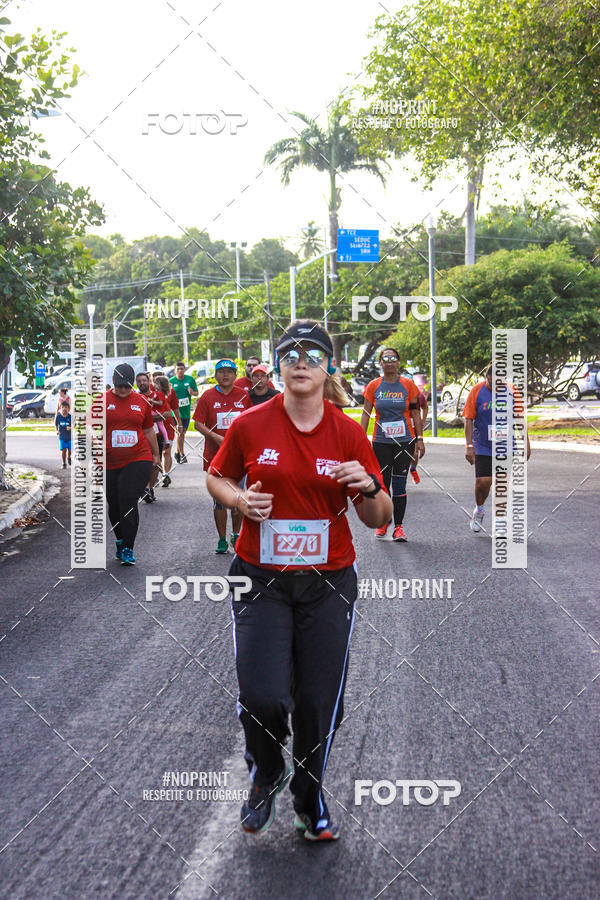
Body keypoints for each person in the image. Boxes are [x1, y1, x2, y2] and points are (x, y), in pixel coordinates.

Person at [206, 320, 392, 841]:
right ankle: (266, 771)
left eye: (313, 354)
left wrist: (368, 486)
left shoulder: (348, 432)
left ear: (329, 366)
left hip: (327, 584)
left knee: (318, 703)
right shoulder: (251, 424)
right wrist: (240, 500)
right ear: (278, 365)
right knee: (262, 694)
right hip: (260, 578)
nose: (301, 361)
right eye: (290, 353)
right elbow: (217, 476)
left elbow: (377, 517)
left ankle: (309, 801)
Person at [361, 347, 425, 542]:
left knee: (399, 483)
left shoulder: (408, 385)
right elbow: (366, 414)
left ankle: (398, 527)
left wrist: (420, 439)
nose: (389, 362)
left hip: (404, 441)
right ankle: (383, 522)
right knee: (383, 483)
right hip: (381, 442)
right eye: (385, 358)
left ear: (398, 362)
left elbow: (415, 413)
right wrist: (360, 438)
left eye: (393, 358)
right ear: (380, 363)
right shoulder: (373, 386)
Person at [103, 363, 160, 565]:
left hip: (138, 458)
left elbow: (148, 430)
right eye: (120, 386)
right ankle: (120, 539)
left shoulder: (141, 401)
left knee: (128, 500)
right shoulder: (101, 402)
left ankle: (128, 547)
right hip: (109, 461)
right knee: (114, 504)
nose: (123, 390)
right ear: (113, 383)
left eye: (127, 386)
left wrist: (156, 454)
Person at [463, 363, 531, 533]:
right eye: (494, 379)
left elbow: (519, 419)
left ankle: (500, 520)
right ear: (487, 377)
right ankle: (479, 510)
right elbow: (468, 419)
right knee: (483, 482)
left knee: (502, 482)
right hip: (483, 445)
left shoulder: (512, 391)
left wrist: (525, 443)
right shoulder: (477, 391)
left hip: (505, 445)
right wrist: (469, 446)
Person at [193, 359, 251, 553]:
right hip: (215, 456)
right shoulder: (207, 396)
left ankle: (236, 535)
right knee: (219, 500)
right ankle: (221, 539)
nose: (225, 375)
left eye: (229, 372)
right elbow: (197, 423)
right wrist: (215, 437)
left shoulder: (243, 395)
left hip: (239, 456)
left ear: (235, 375)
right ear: (215, 375)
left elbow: (251, 420)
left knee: (237, 498)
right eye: (221, 372)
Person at [169, 362, 198, 463]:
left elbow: (196, 392)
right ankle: (182, 455)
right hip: (175, 413)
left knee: (182, 433)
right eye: (178, 369)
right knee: (179, 432)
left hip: (186, 412)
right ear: (175, 370)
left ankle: (177, 452)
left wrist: (192, 392)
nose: (180, 371)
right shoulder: (171, 382)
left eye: (182, 369)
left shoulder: (190, 380)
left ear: (184, 370)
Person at [55, 401, 72, 468]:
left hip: (69, 437)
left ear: (68, 408)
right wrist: (57, 431)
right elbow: (56, 424)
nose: (64, 408)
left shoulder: (70, 417)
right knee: (63, 450)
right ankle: (64, 463)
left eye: (66, 407)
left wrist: (70, 428)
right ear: (60, 408)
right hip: (62, 437)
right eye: (63, 407)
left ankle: (69, 457)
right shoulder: (58, 417)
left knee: (70, 450)